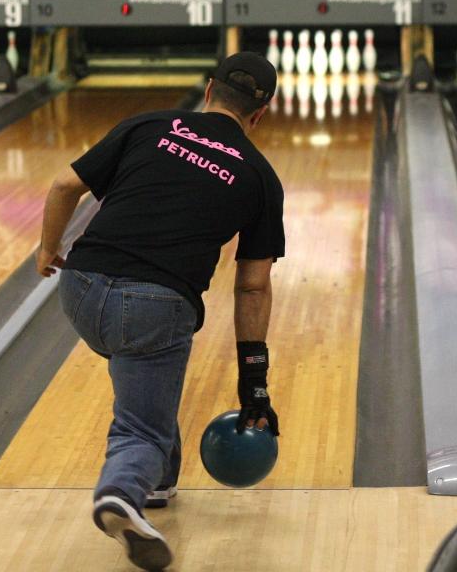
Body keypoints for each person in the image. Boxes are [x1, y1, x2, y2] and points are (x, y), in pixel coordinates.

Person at [36, 52, 284, 571]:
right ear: (261, 113)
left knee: (145, 377)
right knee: (141, 430)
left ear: (210, 88)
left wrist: (46, 249)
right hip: (154, 305)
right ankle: (120, 494)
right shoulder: (260, 177)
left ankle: (158, 487)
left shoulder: (148, 124)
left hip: (79, 287)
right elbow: (253, 286)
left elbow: (63, 185)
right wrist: (253, 383)